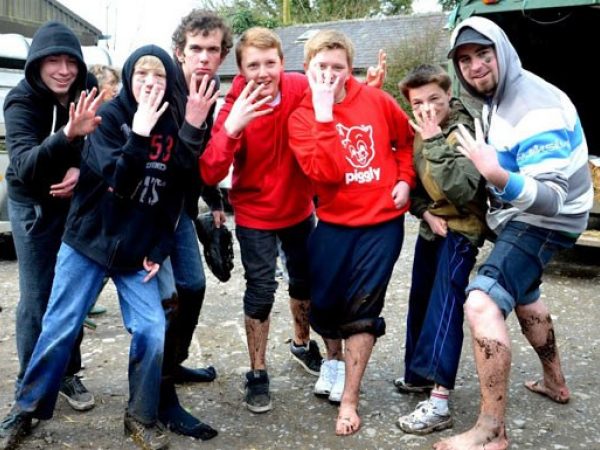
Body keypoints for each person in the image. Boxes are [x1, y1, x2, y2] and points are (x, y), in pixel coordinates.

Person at [0, 44, 189, 450]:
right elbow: (119, 182)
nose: (150, 84)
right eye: (142, 75)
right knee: (59, 326)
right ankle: (26, 409)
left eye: (159, 76)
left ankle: (140, 417)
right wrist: (139, 133)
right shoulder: (108, 117)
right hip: (88, 241)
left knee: (152, 329)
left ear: (170, 81)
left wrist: (159, 249)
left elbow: (174, 196)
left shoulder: (173, 127)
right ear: (129, 77)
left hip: (135, 252)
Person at [200, 27, 386, 414]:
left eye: (270, 63)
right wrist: (233, 128)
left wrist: (370, 92)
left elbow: (337, 97)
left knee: (305, 282)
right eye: (253, 65)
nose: (263, 72)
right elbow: (210, 171)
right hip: (255, 213)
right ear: (241, 70)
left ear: (283, 63)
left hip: (299, 208)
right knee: (261, 290)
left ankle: (301, 344)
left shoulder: (299, 87)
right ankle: (257, 370)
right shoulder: (234, 103)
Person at [435, 17, 594, 450]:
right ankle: (555, 382)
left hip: (548, 220)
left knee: (482, 302)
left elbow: (552, 199)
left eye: (483, 54)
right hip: (530, 216)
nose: (475, 66)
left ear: (501, 51)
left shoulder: (531, 106)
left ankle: (491, 429)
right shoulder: (499, 97)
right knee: (523, 293)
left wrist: (496, 175)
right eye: (465, 59)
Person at [288, 29, 415, 436]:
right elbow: (325, 173)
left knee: (362, 311)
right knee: (325, 305)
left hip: (381, 223)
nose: (330, 74)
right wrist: (325, 114)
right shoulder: (302, 117)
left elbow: (406, 142)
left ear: (349, 69)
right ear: (307, 69)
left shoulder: (377, 100)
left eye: (338, 67)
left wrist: (406, 179)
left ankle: (350, 399)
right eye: (321, 67)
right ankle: (333, 360)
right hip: (334, 223)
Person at [2, 21, 100, 413]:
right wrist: (68, 137)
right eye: (53, 61)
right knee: (38, 294)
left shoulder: (87, 86)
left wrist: (80, 167)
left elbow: (103, 142)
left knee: (71, 291)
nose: (63, 70)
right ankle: (29, 384)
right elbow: (25, 165)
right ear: (37, 63)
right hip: (32, 204)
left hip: (73, 202)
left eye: (70, 61)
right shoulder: (20, 101)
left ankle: (67, 372)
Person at [394, 64, 487, 435]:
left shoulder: (466, 131)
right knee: (420, 301)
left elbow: (462, 189)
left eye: (434, 99)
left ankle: (439, 402)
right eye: (418, 103)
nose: (427, 108)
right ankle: (418, 376)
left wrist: (432, 139)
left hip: (461, 230)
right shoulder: (420, 131)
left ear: (449, 94)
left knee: (445, 308)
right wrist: (426, 214)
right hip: (434, 227)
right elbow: (416, 189)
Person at [155, 9, 232, 440]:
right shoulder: (161, 87)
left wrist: (214, 200)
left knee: (194, 287)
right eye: (196, 48)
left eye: (212, 50)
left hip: (180, 210)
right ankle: (161, 396)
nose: (204, 57)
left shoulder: (210, 92)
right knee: (166, 301)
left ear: (222, 54)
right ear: (180, 51)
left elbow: (200, 158)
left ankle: (174, 362)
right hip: (148, 212)